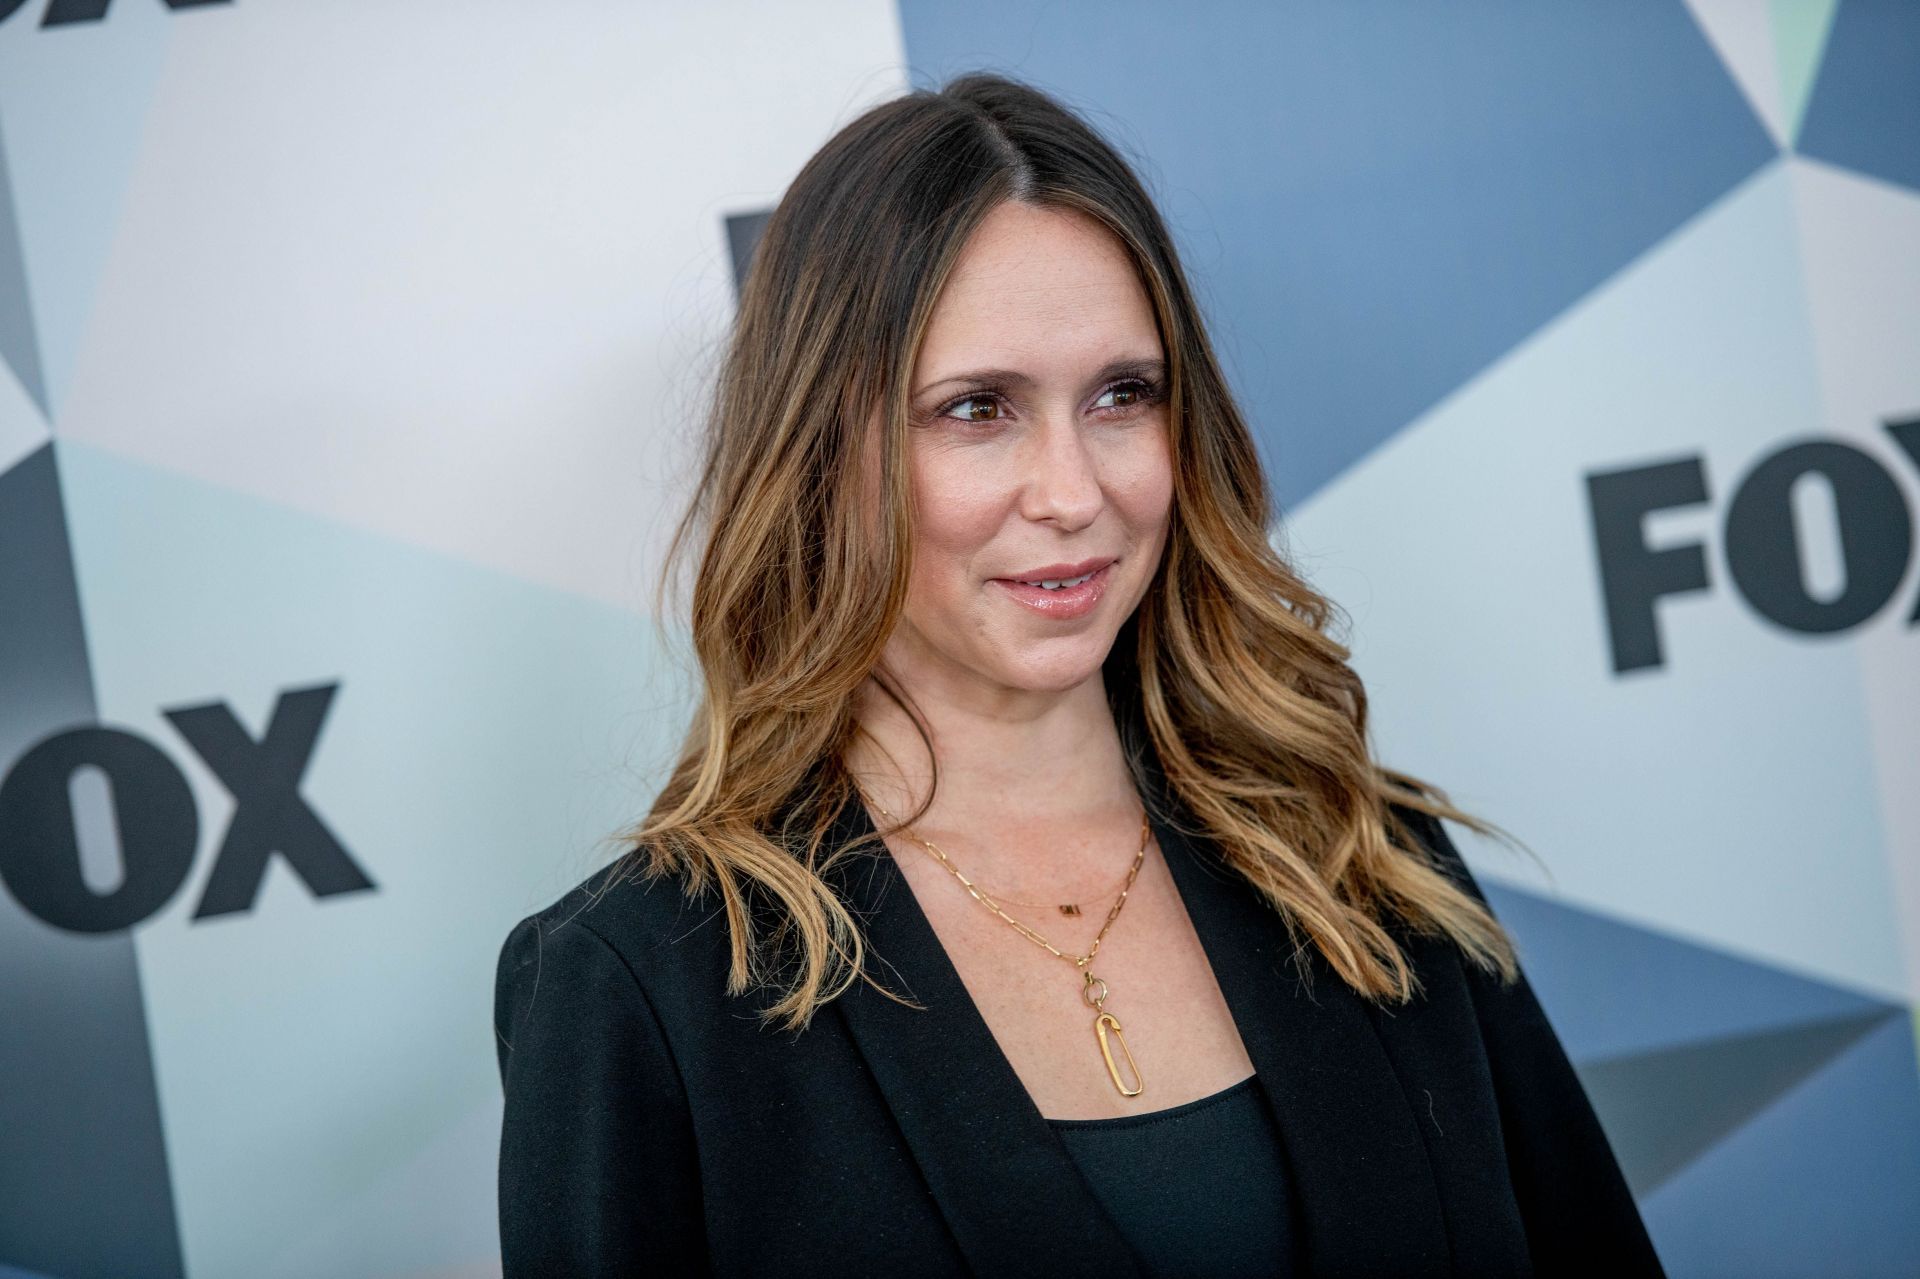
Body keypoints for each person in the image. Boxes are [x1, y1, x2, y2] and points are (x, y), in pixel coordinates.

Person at [493, 71, 1665, 1277]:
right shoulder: (640, 991)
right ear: (821, 453)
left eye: (1121, 395)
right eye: (977, 409)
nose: (1074, 492)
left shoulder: (1363, 859)